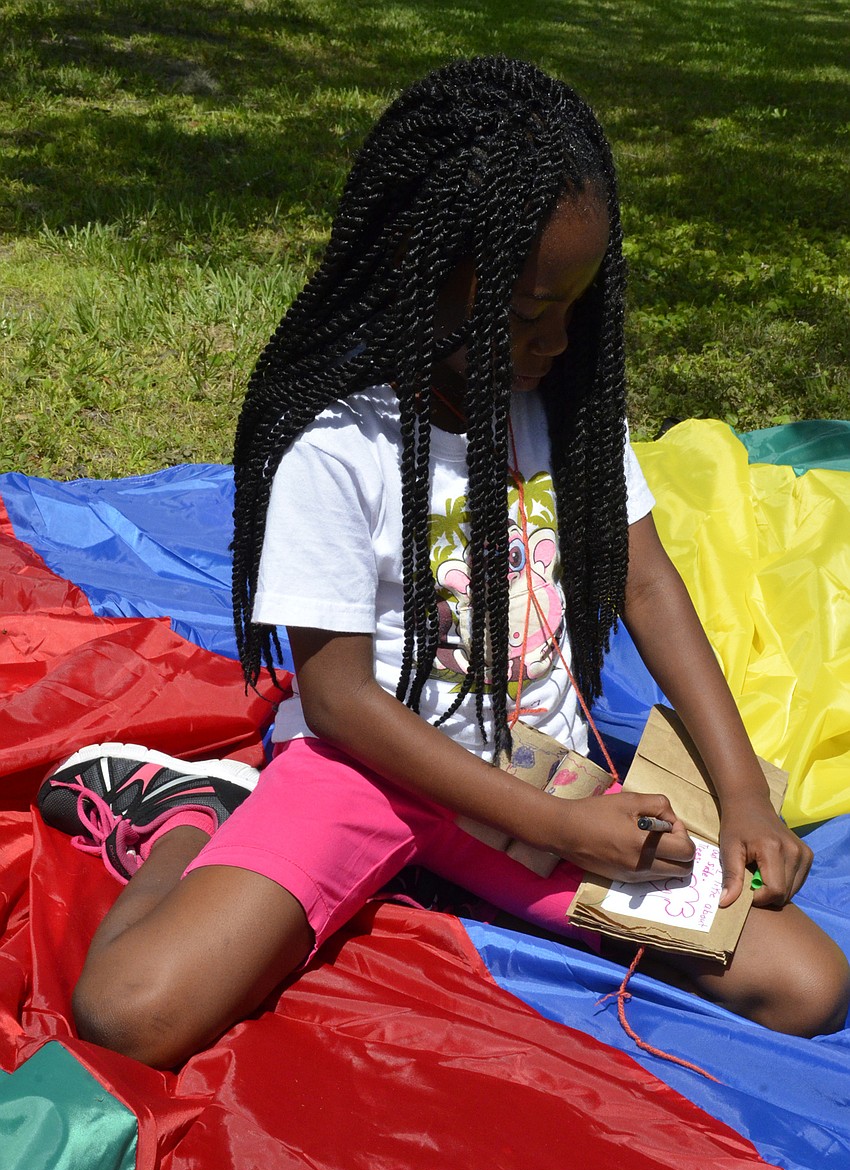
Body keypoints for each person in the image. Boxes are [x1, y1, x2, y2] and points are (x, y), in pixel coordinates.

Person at [38, 57, 849, 1068]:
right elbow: (337, 700)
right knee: (133, 1012)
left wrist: (740, 795)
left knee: (808, 983)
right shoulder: (337, 444)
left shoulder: (566, 404)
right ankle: (194, 816)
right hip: (373, 768)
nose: (556, 340)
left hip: (523, 772)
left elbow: (644, 579)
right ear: (421, 273)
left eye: (576, 304)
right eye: (520, 315)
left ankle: (457, 860)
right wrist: (559, 825)